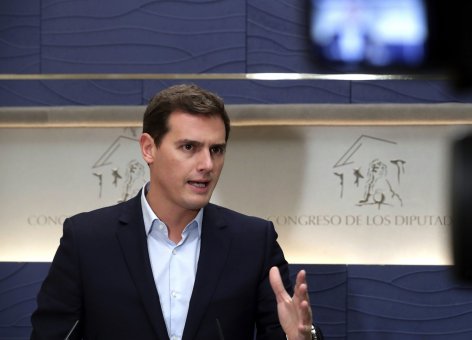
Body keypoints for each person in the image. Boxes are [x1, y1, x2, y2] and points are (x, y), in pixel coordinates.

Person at [31, 84, 322, 340]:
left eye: (216, 150)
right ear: (149, 148)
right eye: (189, 147)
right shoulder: (87, 240)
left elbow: (285, 331)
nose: (207, 164)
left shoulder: (253, 242)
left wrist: (301, 339)